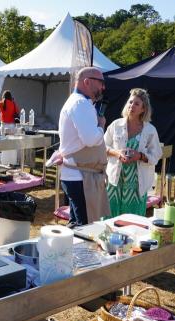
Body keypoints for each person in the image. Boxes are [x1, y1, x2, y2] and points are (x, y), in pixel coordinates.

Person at [57, 67, 109, 228]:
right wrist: (101, 126)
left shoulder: (80, 102)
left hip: (80, 175)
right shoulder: (80, 103)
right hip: (80, 177)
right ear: (87, 81)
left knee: (78, 224)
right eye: (101, 82)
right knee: (85, 228)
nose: (103, 87)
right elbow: (90, 139)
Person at [104, 88, 162, 217]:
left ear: (143, 109)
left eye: (136, 104)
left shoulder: (150, 130)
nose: (132, 106)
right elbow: (102, 147)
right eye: (130, 102)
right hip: (114, 181)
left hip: (136, 185)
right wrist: (117, 153)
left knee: (132, 221)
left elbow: (156, 155)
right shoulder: (116, 125)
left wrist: (140, 156)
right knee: (109, 217)